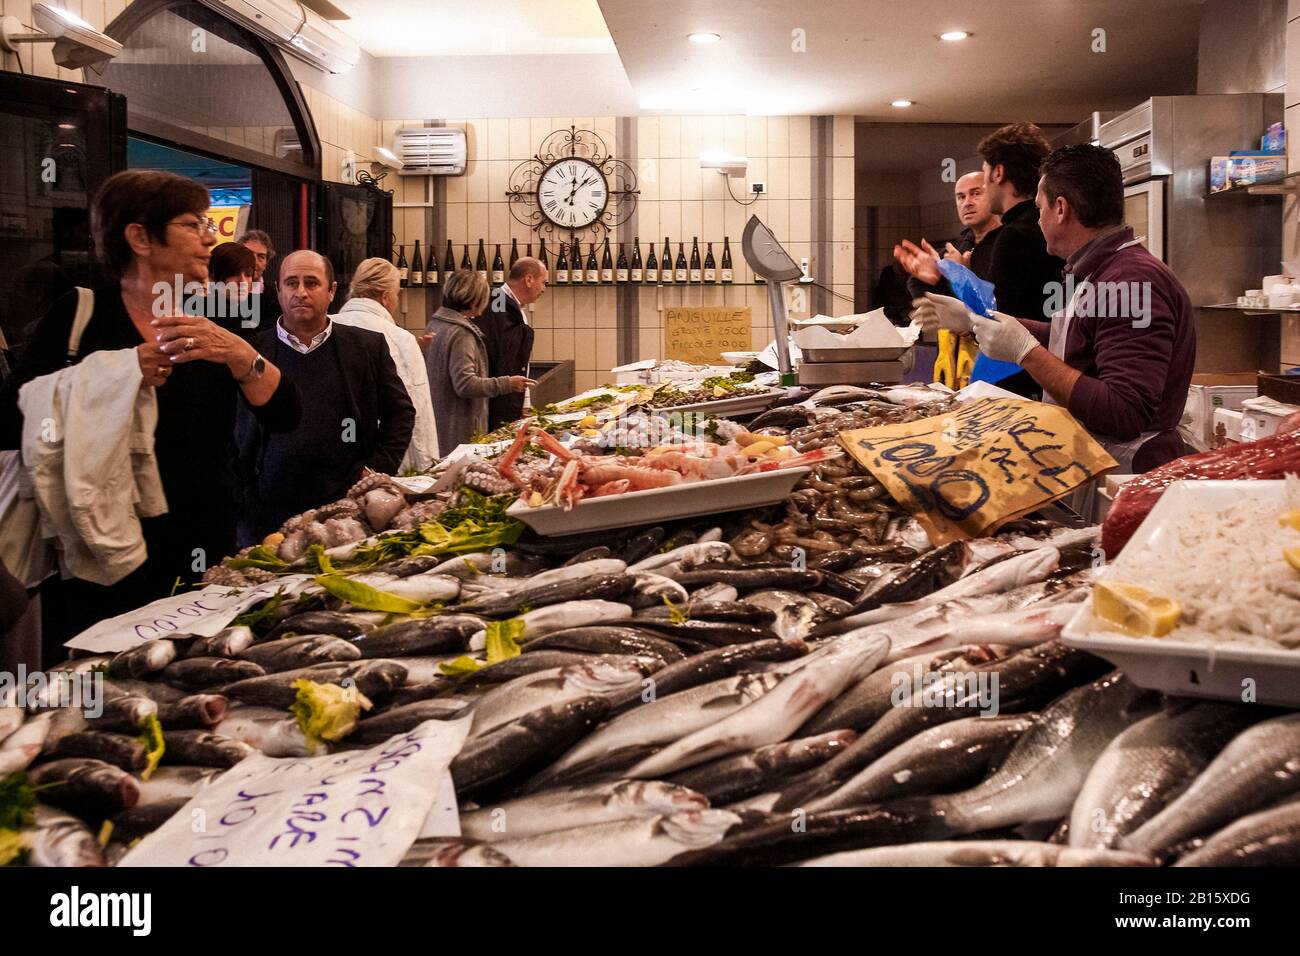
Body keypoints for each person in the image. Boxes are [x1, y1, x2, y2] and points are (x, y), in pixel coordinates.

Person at [0, 170, 300, 655]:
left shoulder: (215, 317)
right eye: (191, 224)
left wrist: (241, 356)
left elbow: (286, 416)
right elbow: (11, 418)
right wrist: (118, 372)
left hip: (204, 554)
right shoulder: (81, 316)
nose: (209, 238)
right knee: (104, 696)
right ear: (139, 237)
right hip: (101, 561)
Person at [916, 144, 1196, 475]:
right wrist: (978, 319)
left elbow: (1123, 411)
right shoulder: (1101, 270)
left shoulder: (1131, 280)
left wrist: (1026, 353)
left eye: (1039, 208)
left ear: (1060, 209)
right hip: (1097, 461)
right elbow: (1080, 341)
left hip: (1126, 476)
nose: (1038, 219)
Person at [236, 250, 415, 545]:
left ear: (332, 291)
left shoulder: (366, 347)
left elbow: (401, 413)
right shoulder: (251, 351)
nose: (301, 292)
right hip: (267, 513)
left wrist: (376, 468)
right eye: (291, 283)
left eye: (312, 283)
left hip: (347, 511)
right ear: (278, 291)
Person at [899, 123, 1062, 395]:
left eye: (981, 184)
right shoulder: (1039, 226)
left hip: (1020, 382)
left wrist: (963, 278)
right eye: (960, 196)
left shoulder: (1016, 236)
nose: (969, 201)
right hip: (1033, 373)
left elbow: (996, 325)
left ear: (998, 173)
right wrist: (941, 279)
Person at [334, 257, 439, 472]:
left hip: (328, 459)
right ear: (385, 297)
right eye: (397, 294)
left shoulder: (326, 327)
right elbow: (417, 412)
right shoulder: (401, 339)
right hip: (384, 461)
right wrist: (425, 470)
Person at [426, 269, 533, 455]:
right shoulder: (461, 333)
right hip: (460, 429)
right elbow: (465, 384)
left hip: (440, 423)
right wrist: (508, 383)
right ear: (474, 298)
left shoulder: (437, 324)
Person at [473, 256, 546, 429]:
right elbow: (500, 352)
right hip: (495, 399)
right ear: (529, 279)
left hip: (508, 394)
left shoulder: (513, 307)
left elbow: (518, 358)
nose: (544, 289)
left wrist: (524, 402)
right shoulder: (497, 300)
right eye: (544, 282)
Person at [237, 228, 279, 332]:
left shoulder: (275, 298)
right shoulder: (220, 292)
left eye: (261, 257)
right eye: (249, 253)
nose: (254, 261)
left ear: (266, 263)